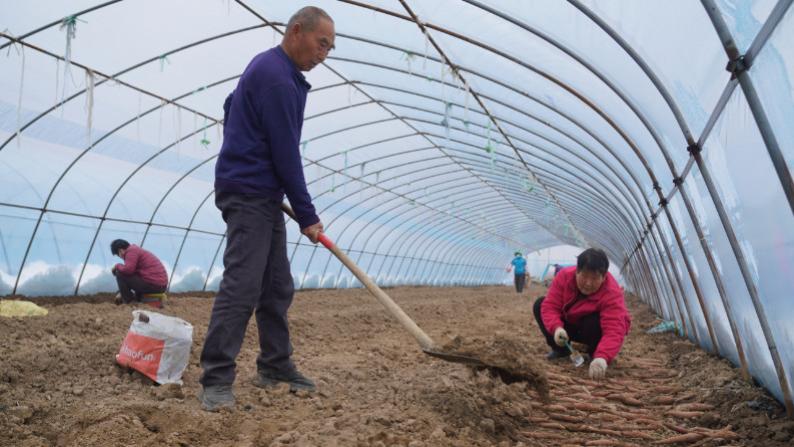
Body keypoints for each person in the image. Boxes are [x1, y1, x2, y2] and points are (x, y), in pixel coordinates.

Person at [197, 6, 334, 412]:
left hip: (260, 191)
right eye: (320, 42)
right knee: (243, 285)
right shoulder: (278, 80)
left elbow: (230, 103)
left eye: (330, 47)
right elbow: (286, 153)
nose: (324, 53)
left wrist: (241, 145)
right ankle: (216, 378)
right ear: (296, 32)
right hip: (249, 194)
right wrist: (308, 215)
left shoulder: (271, 70)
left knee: (276, 286)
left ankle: (275, 365)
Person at [532, 248, 631, 381]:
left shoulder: (611, 292)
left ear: (604, 276)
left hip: (590, 329)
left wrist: (602, 357)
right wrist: (556, 328)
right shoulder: (564, 276)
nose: (588, 283)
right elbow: (550, 306)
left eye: (595, 278)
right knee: (540, 304)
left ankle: (595, 354)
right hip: (568, 326)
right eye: (584, 276)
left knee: (594, 320)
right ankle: (561, 349)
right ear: (576, 271)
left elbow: (615, 329)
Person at [110, 239, 168, 306]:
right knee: (127, 275)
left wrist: (117, 266)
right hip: (159, 285)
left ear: (120, 251)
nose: (120, 257)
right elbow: (133, 273)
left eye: (118, 255)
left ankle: (129, 301)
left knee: (120, 273)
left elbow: (128, 270)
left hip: (154, 285)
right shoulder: (135, 250)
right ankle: (127, 296)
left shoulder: (131, 252)